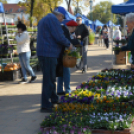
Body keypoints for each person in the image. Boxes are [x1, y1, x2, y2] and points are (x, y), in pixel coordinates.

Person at [37, 11, 73, 112]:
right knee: (48, 79)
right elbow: (59, 36)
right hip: (48, 53)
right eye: (62, 19)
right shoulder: (53, 20)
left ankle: (54, 99)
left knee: (51, 78)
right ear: (60, 16)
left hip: (44, 52)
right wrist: (68, 44)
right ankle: (45, 105)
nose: (62, 21)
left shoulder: (44, 19)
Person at [57, 20, 80, 95]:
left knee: (61, 72)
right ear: (71, 27)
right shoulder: (65, 30)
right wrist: (77, 41)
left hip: (59, 53)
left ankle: (59, 89)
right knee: (66, 72)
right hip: (63, 54)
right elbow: (68, 41)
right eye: (74, 28)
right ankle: (68, 90)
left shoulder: (62, 29)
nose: (74, 30)